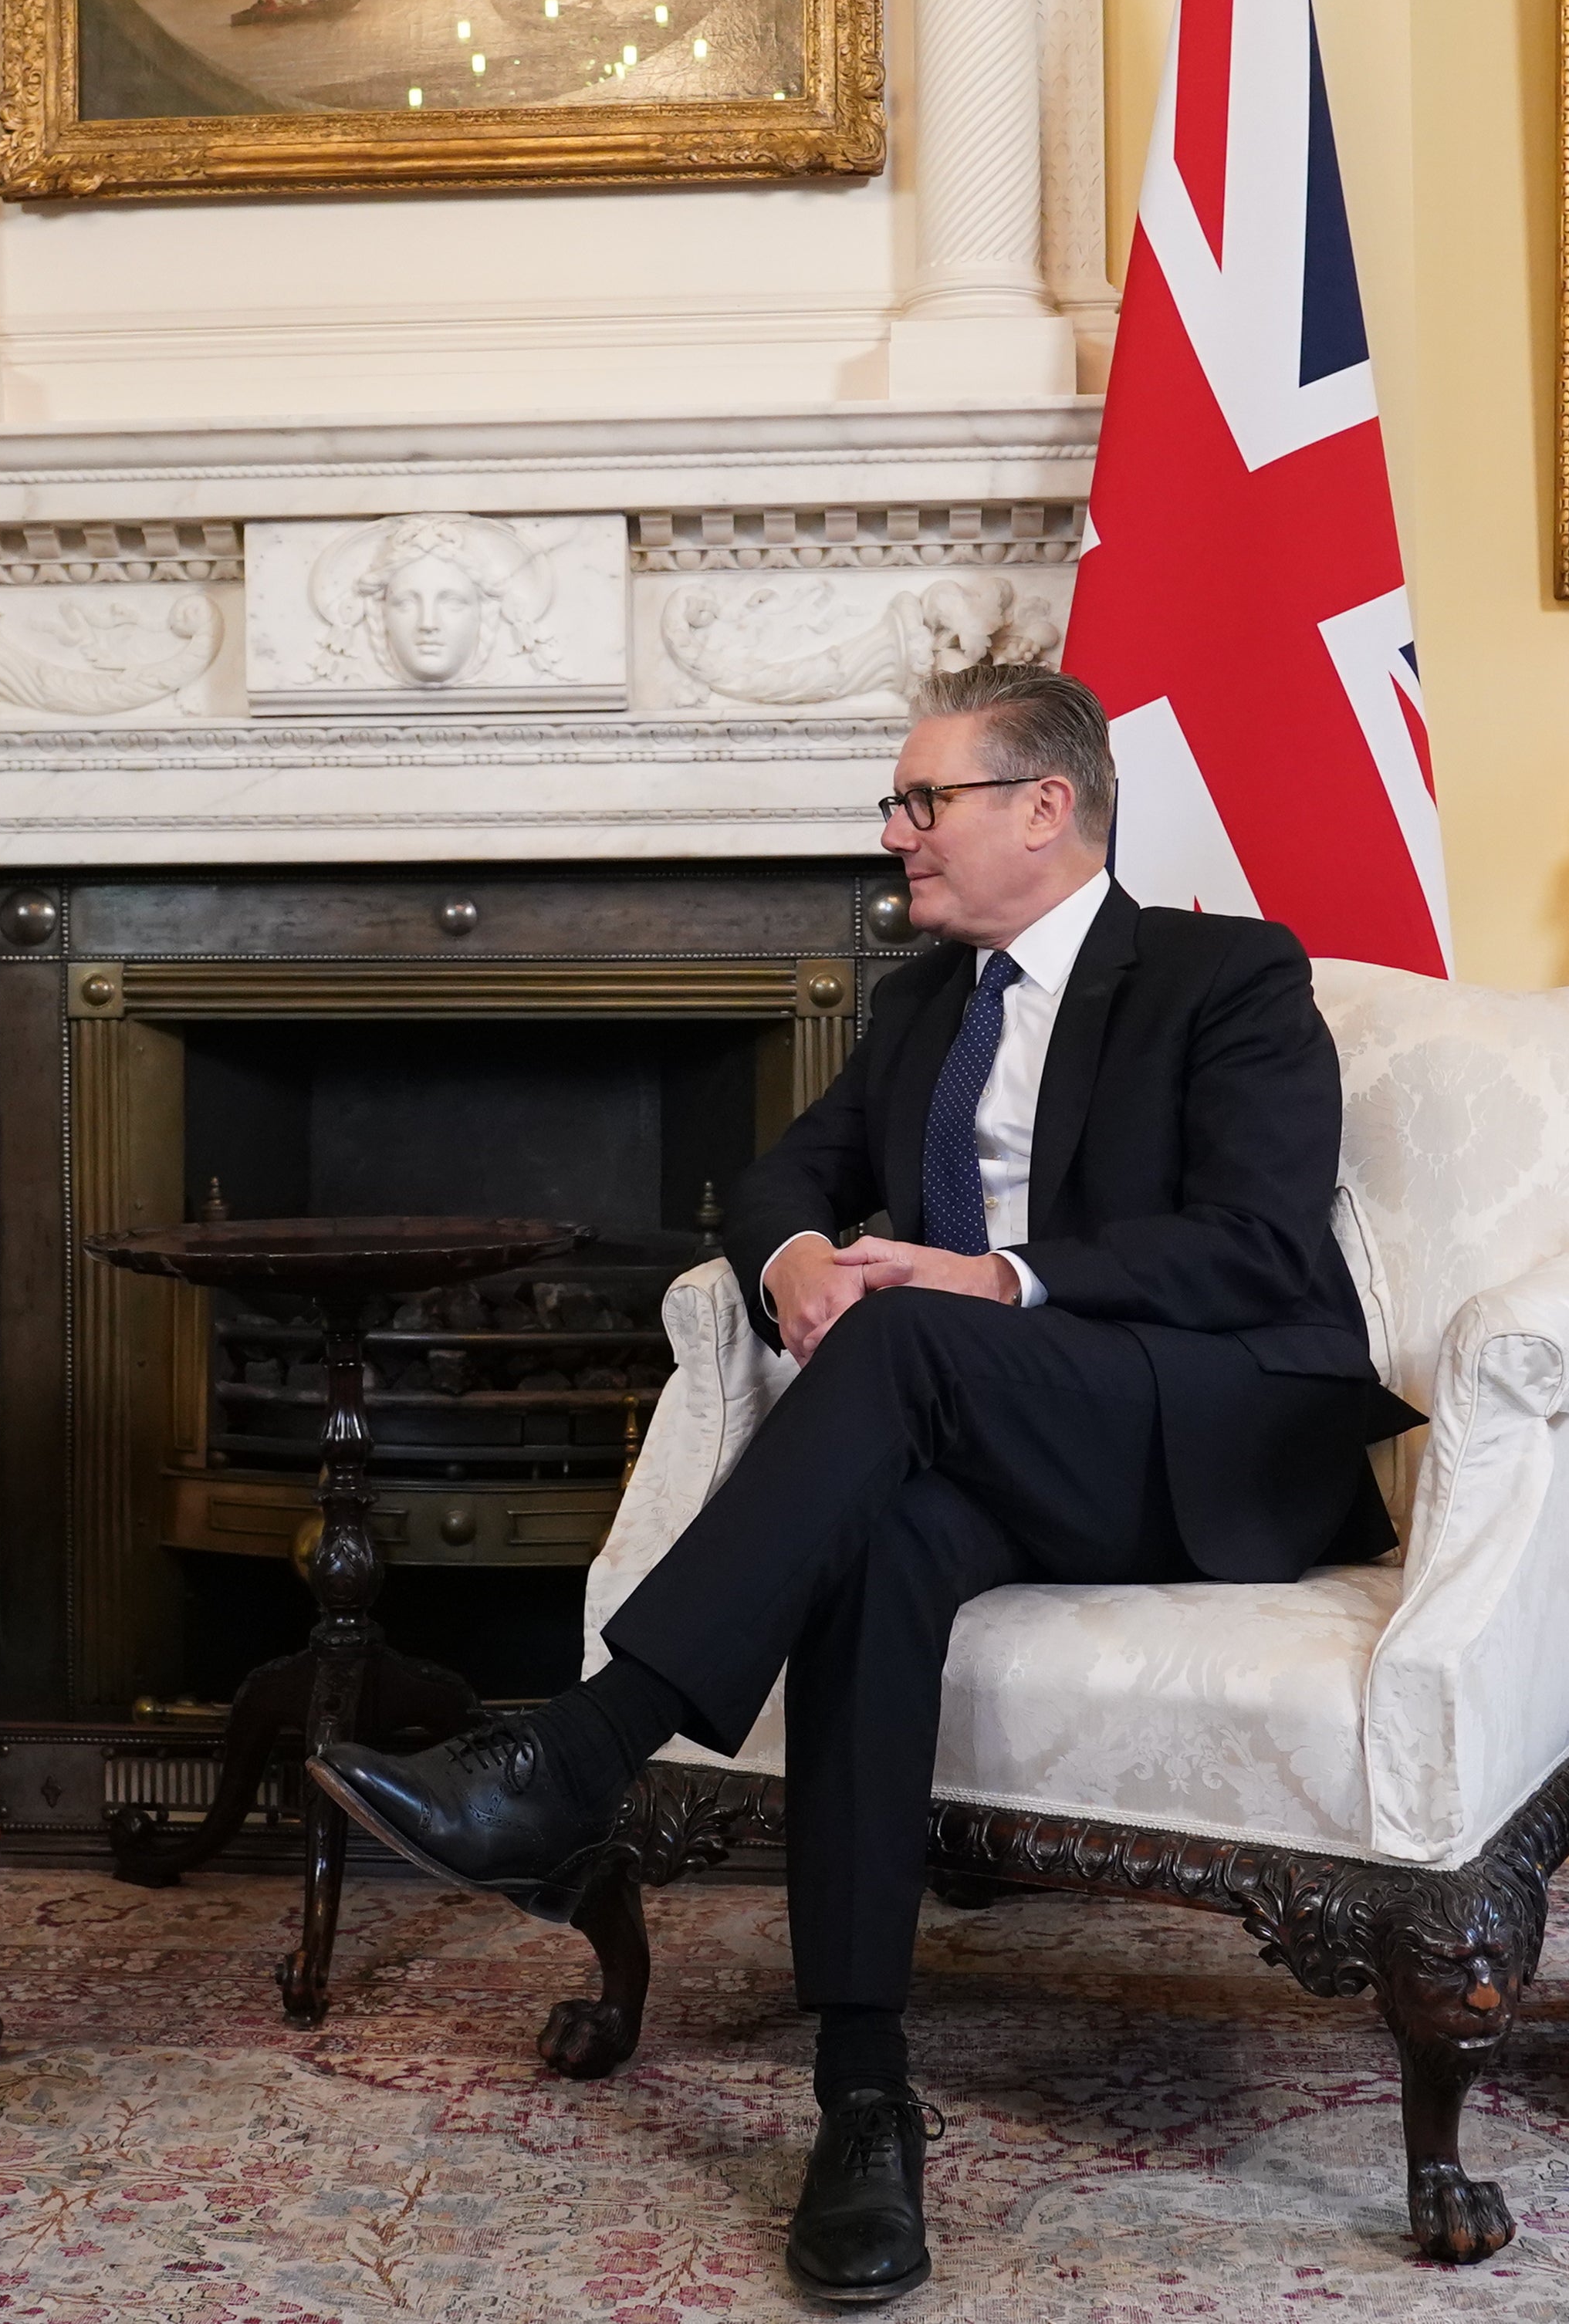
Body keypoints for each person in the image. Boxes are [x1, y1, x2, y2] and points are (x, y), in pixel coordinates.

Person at [308, 662, 1417, 2307]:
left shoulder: (1222, 974)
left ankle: (580, 1749)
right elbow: (771, 1176)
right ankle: (860, 2091)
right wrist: (807, 1257)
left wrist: (997, 1284)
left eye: (923, 800)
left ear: (1045, 808)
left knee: (903, 1344)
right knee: (875, 1533)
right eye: (895, 803)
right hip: (983, 1440)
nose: (893, 832)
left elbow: (1258, 1248)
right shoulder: (917, 1003)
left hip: (1197, 1438)